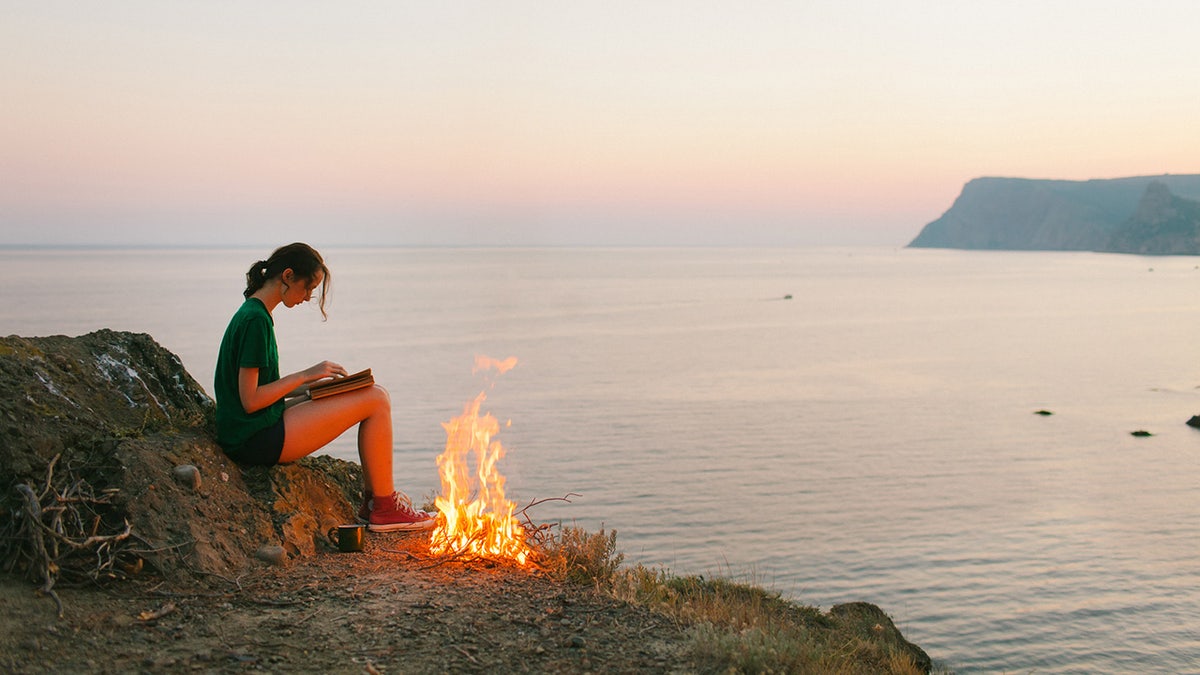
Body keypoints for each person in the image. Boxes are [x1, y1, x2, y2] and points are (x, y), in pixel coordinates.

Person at [214, 242, 433, 532]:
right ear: (288, 276)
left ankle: (375, 504)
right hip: (254, 438)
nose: (307, 297)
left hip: (252, 428)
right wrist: (305, 375)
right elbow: (251, 400)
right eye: (308, 288)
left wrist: (311, 390)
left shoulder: (253, 312)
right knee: (377, 400)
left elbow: (258, 389)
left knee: (372, 394)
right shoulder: (256, 320)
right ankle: (384, 508)